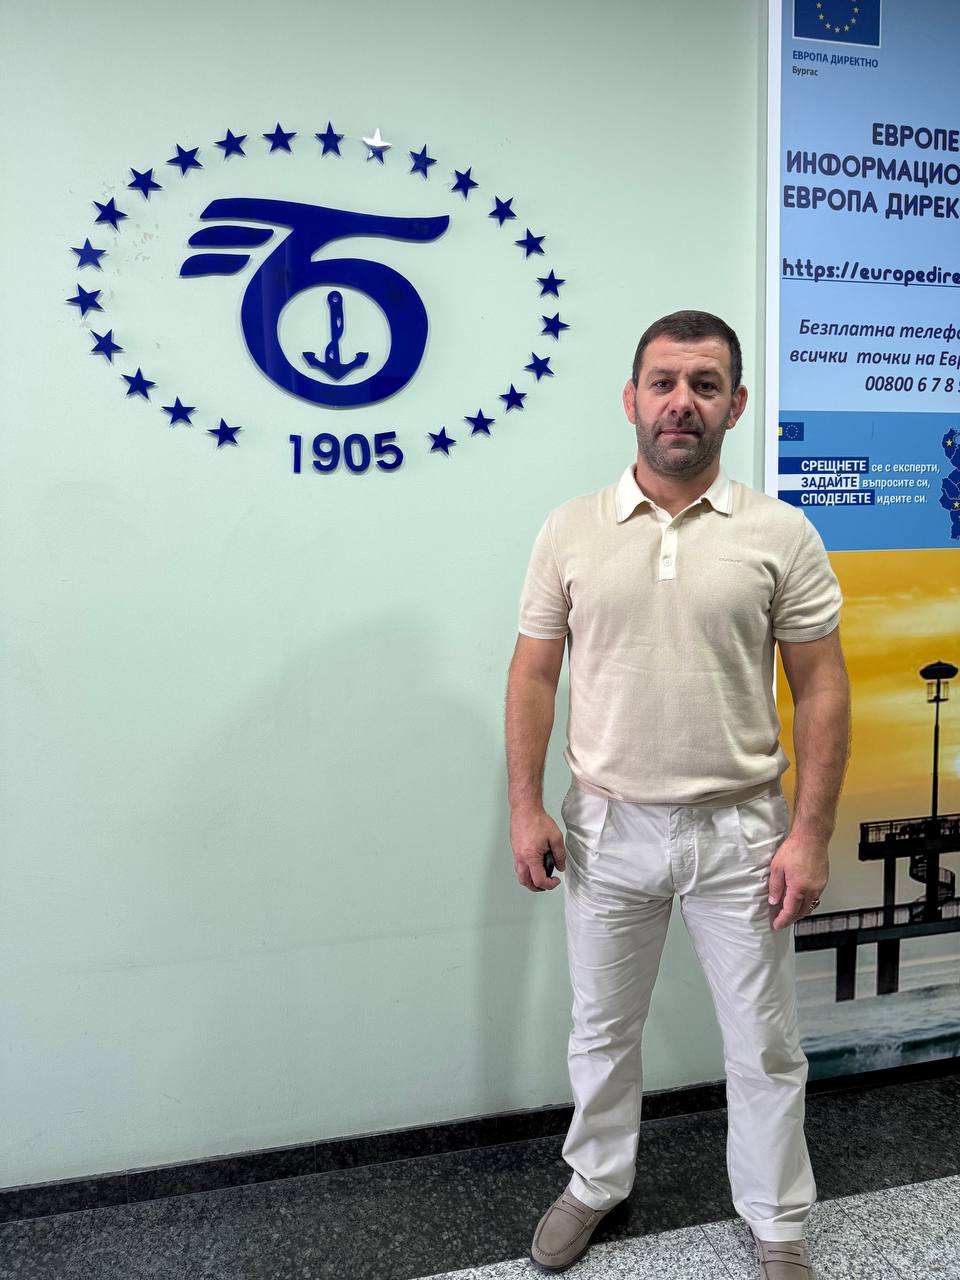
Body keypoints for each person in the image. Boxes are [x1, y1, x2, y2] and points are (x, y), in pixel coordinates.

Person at [505, 310, 850, 1280]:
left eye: (705, 384)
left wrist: (811, 832)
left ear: (735, 405)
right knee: (601, 1031)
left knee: (765, 1042)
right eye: (663, 382)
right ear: (631, 398)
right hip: (606, 826)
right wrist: (525, 807)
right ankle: (594, 1180)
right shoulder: (570, 528)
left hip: (743, 831)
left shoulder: (781, 533)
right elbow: (533, 673)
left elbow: (823, 687)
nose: (681, 402)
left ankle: (778, 1219)